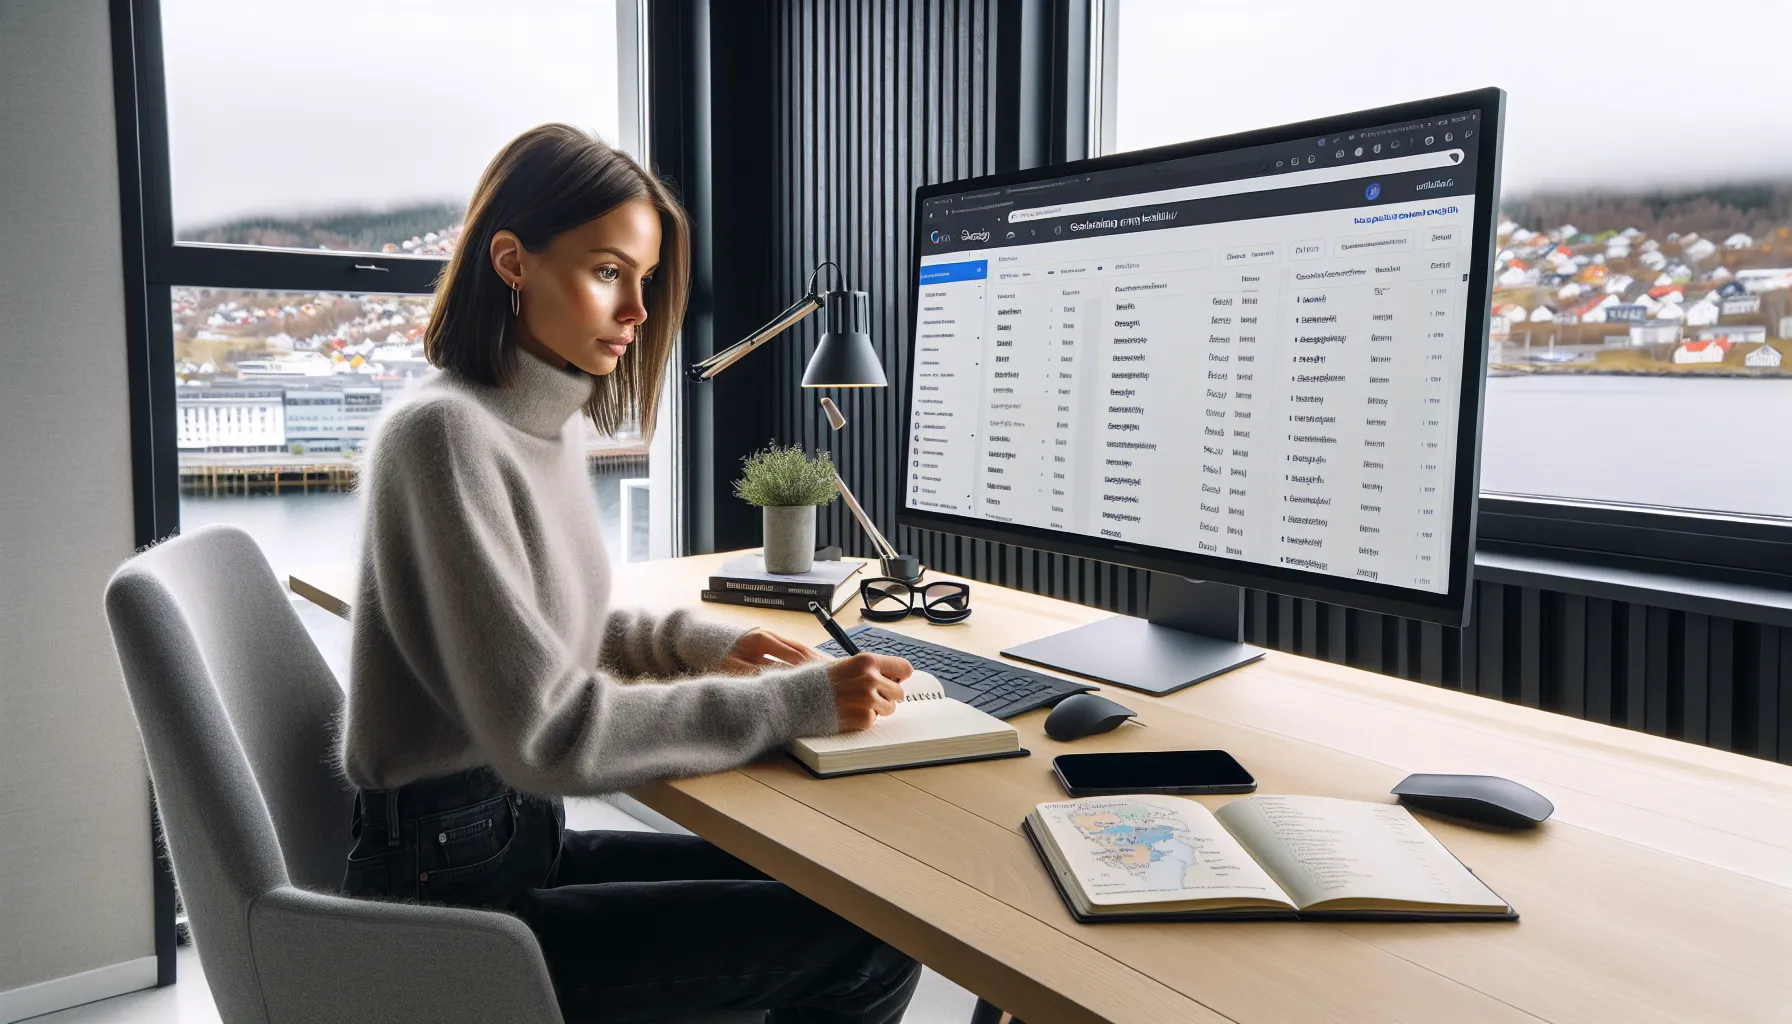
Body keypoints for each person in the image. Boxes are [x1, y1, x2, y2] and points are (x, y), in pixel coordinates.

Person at [337, 123, 922, 1024]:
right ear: (512, 261)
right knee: (869, 945)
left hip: (510, 840)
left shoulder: (545, 422)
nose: (639, 312)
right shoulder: (445, 436)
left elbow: (548, 623)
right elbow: (551, 732)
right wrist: (789, 704)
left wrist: (701, 644)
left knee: (857, 897)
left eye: (645, 280)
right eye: (610, 271)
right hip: (450, 900)